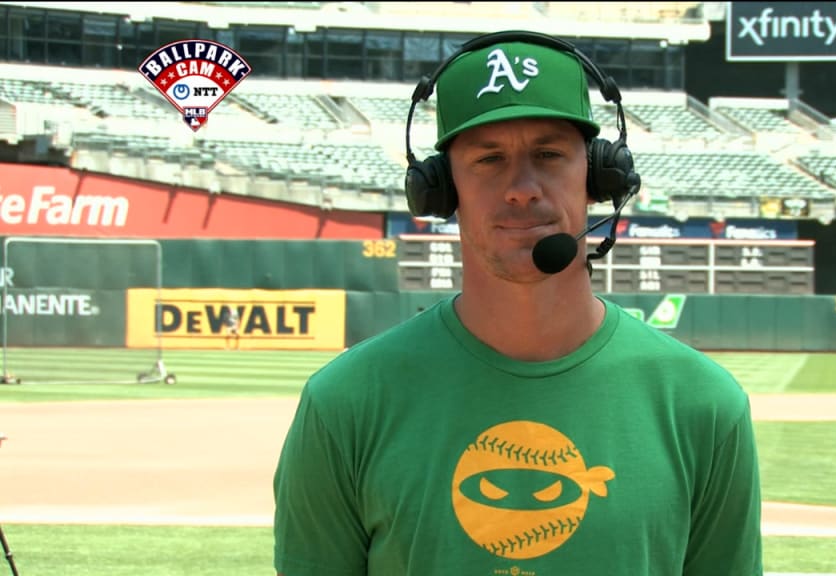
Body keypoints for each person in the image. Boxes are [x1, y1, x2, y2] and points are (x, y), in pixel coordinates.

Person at [273, 30, 763, 576]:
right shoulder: (345, 404)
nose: (522, 188)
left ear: (599, 178)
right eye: (489, 158)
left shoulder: (703, 405)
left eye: (549, 154)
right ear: (441, 189)